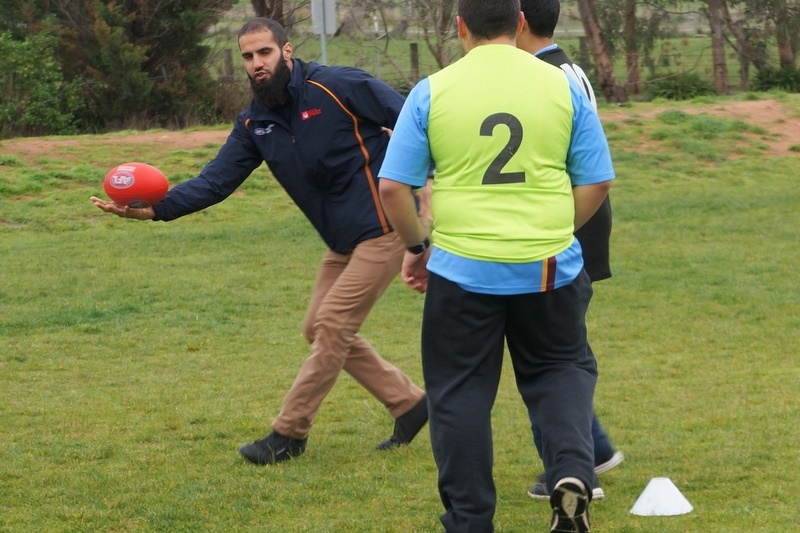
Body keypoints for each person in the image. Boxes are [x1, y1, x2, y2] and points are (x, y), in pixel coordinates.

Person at [90, 17, 428, 465]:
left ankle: (288, 434)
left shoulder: (338, 86)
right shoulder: (255, 121)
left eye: (264, 52)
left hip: (385, 228)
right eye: (247, 57)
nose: (256, 63)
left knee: (331, 327)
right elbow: (215, 181)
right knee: (319, 329)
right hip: (341, 241)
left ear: (287, 51)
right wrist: (155, 208)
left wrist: (423, 192)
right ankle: (409, 402)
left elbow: (413, 121)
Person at [378, 1, 614, 531]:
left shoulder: (433, 90)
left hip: (462, 270)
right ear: (520, 23)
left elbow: (394, 186)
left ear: (460, 27)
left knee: (460, 393)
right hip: (549, 266)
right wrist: (554, 229)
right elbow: (597, 180)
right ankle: (572, 473)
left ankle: (469, 519)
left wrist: (416, 248)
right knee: (559, 370)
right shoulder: (562, 85)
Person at [518, 0, 624, 501]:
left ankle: (572, 467)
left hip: (566, 221)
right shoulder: (567, 66)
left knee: (547, 350)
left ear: (517, 21)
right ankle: (594, 447)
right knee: (561, 345)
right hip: (582, 215)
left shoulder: (543, 78)